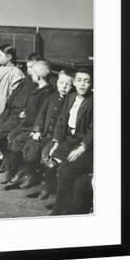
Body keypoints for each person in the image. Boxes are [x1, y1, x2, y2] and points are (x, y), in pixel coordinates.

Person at [0, 52, 42, 167]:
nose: (29, 70)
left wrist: (23, 112)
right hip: (9, 110)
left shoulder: (38, 85)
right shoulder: (25, 80)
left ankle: (8, 160)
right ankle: (3, 155)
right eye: (28, 67)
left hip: (19, 115)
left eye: (32, 68)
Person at [0, 61, 54, 187]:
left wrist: (36, 130)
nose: (31, 75)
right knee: (11, 136)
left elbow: (42, 115)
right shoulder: (37, 89)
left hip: (34, 127)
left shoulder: (47, 93)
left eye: (33, 73)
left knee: (17, 142)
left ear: (38, 76)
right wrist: (25, 113)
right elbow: (31, 107)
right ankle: (14, 169)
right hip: (26, 123)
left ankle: (26, 173)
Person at [21, 70, 74, 198]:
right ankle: (31, 174)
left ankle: (47, 184)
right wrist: (37, 130)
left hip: (57, 137)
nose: (64, 87)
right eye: (61, 83)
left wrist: (57, 139)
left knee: (46, 154)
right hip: (45, 132)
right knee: (29, 148)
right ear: (57, 83)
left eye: (68, 84)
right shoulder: (52, 96)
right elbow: (42, 114)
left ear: (72, 86)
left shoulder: (71, 100)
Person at [50, 67, 93, 215]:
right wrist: (56, 142)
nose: (82, 84)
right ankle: (62, 201)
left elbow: (95, 129)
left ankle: (60, 209)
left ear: (91, 83)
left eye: (87, 81)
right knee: (51, 160)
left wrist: (82, 148)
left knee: (65, 170)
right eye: (79, 80)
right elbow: (62, 121)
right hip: (69, 139)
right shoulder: (71, 97)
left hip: (86, 146)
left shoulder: (93, 101)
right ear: (74, 82)